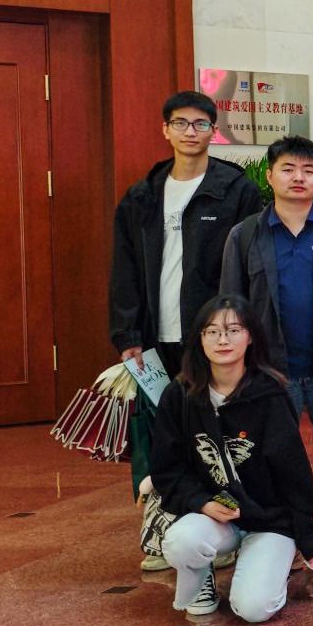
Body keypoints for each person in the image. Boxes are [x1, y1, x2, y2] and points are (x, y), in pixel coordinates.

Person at [111, 90, 262, 571]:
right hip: (156, 339)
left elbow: (249, 267)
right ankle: (161, 532)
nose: (190, 132)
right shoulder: (141, 195)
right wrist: (128, 334)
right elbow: (124, 269)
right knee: (162, 437)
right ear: (166, 129)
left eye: (200, 124)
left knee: (220, 434)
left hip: (215, 338)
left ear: (213, 131)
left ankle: (226, 532)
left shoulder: (236, 190)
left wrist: (240, 331)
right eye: (181, 123)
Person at [151, 295, 313, 622]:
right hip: (216, 516)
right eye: (212, 331)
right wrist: (200, 502)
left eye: (233, 330)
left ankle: (271, 567)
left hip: (269, 520)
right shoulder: (180, 395)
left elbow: (295, 475)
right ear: (200, 339)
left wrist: (308, 539)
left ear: (250, 336)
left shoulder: (270, 394)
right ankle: (201, 576)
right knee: (182, 541)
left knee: (253, 610)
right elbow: (167, 468)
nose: (223, 340)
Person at [219, 135, 313, 453]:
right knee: (269, 458)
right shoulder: (244, 235)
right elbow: (231, 306)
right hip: (269, 371)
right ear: (269, 176)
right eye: (288, 169)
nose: (299, 177)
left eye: (308, 170)